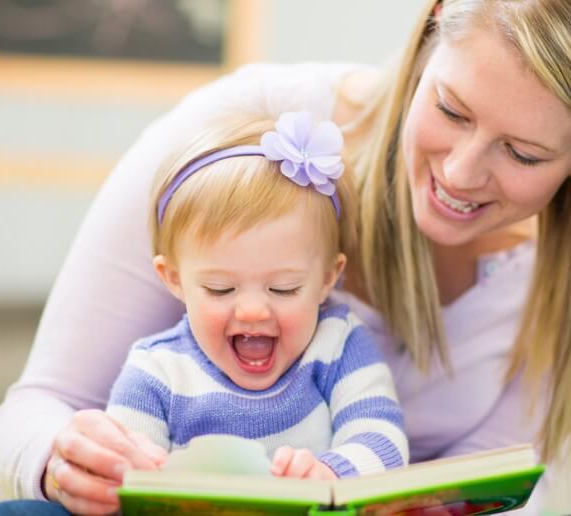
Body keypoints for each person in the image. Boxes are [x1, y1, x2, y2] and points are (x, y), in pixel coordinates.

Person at [0, 0, 571, 515]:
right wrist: (60, 458)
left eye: (523, 153)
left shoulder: (570, 265)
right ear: (428, 36)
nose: (458, 174)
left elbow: (517, 480)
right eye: (451, 110)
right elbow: (36, 406)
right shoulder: (241, 138)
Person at [104, 110, 407, 482]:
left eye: (283, 288)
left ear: (328, 278)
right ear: (175, 279)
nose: (251, 311)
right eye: (221, 289)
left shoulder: (338, 346)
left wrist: (329, 471)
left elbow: (383, 440)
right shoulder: (157, 373)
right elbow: (123, 471)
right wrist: (132, 471)